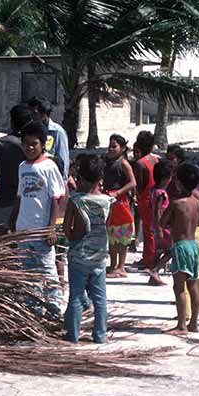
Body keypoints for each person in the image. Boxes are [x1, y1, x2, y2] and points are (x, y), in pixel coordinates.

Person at [161, 163, 199, 335]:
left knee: (179, 287)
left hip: (181, 246)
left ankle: (181, 325)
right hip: (195, 246)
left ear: (179, 182)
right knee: (193, 285)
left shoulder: (176, 203)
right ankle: (194, 323)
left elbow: (162, 222)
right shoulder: (198, 201)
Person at [15, 121, 67, 315]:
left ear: (42, 144)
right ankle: (34, 309)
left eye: (34, 144)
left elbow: (56, 199)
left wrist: (51, 228)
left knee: (47, 271)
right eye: (26, 143)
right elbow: (20, 197)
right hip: (23, 230)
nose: (30, 148)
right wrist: (13, 223)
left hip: (41, 230)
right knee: (29, 273)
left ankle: (54, 308)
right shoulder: (22, 167)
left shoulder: (49, 166)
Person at [63, 154, 113, 344]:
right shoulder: (108, 201)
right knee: (100, 298)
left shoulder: (75, 200)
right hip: (100, 255)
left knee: (76, 296)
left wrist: (74, 238)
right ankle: (100, 335)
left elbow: (67, 229)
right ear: (101, 178)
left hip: (79, 255)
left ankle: (73, 335)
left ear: (81, 178)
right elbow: (106, 226)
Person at [0, 105, 35, 238]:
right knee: (20, 242)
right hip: (27, 201)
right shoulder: (33, 147)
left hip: (4, 199)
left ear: (12, 122)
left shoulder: (1, 143)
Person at [103, 134, 137, 278]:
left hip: (121, 203)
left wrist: (118, 192)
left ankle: (121, 267)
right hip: (109, 202)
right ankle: (113, 265)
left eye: (114, 146)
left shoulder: (124, 163)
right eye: (110, 146)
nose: (110, 149)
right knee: (111, 234)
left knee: (122, 235)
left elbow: (133, 183)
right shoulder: (107, 162)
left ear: (122, 148)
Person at [131, 131, 160, 269]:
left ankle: (149, 260)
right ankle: (148, 257)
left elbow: (140, 184)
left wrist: (137, 194)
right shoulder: (157, 159)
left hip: (146, 198)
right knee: (153, 230)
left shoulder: (140, 163)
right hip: (157, 196)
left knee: (148, 231)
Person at [147, 160, 175, 286]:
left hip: (154, 225)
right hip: (162, 226)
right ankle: (155, 270)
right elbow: (157, 211)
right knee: (171, 250)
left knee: (158, 251)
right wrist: (159, 228)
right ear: (165, 179)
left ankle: (153, 276)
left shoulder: (153, 190)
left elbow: (151, 207)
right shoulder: (161, 193)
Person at [27, 97, 69, 179]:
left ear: (44, 114)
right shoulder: (32, 130)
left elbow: (63, 160)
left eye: (34, 113)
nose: (32, 117)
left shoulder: (57, 132)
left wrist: (63, 181)